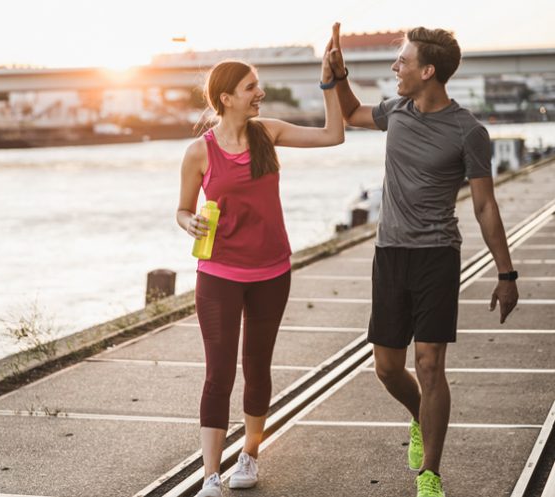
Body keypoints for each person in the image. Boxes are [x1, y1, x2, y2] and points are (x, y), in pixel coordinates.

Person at [327, 25, 519, 497]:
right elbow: (350, 113)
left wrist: (506, 273)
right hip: (390, 253)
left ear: (427, 71)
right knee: (388, 368)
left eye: (403, 62)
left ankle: (429, 473)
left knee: (430, 364)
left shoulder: (469, 131)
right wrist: (337, 74)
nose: (396, 67)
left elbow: (485, 205)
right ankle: (419, 416)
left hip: (436, 256)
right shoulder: (397, 110)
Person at [176, 25, 345, 497]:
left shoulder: (267, 133)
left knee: (258, 366)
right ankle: (210, 473)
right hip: (218, 275)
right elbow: (183, 208)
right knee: (219, 372)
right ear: (226, 97)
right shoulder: (198, 152)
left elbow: (334, 135)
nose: (260, 93)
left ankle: (249, 455)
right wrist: (187, 222)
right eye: (251, 86)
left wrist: (330, 83)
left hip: (272, 272)